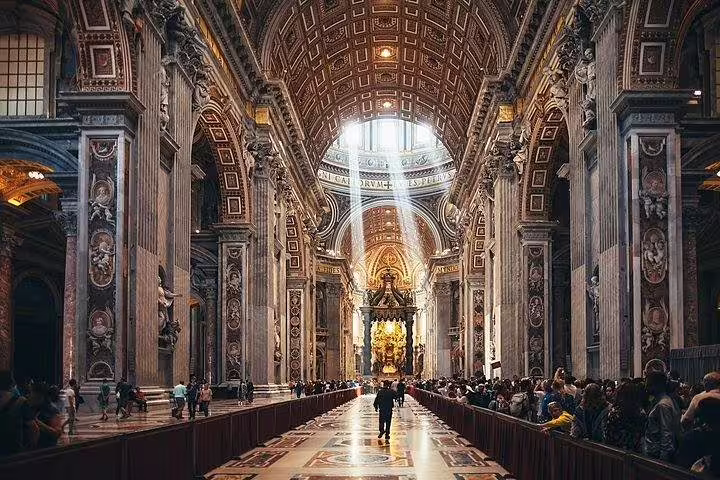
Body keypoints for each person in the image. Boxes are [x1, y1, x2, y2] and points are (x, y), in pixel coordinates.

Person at [643, 370, 680, 462]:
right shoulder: (662, 401)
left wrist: (663, 461)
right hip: (654, 452)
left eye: (649, 384)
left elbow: (666, 433)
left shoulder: (662, 405)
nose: (646, 387)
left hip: (657, 455)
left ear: (658, 385)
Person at [0, 370, 38, 456]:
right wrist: (30, 450)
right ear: (11, 383)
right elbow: (34, 429)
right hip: (13, 451)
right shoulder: (20, 401)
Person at [603, 381, 647, 452]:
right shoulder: (641, 413)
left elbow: (608, 434)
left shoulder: (615, 412)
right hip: (635, 452)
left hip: (616, 450)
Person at [29, 382, 62, 449]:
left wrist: (37, 422)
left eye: (31, 393)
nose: (29, 396)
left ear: (40, 396)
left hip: (47, 449)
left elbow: (57, 433)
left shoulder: (51, 410)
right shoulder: (29, 408)